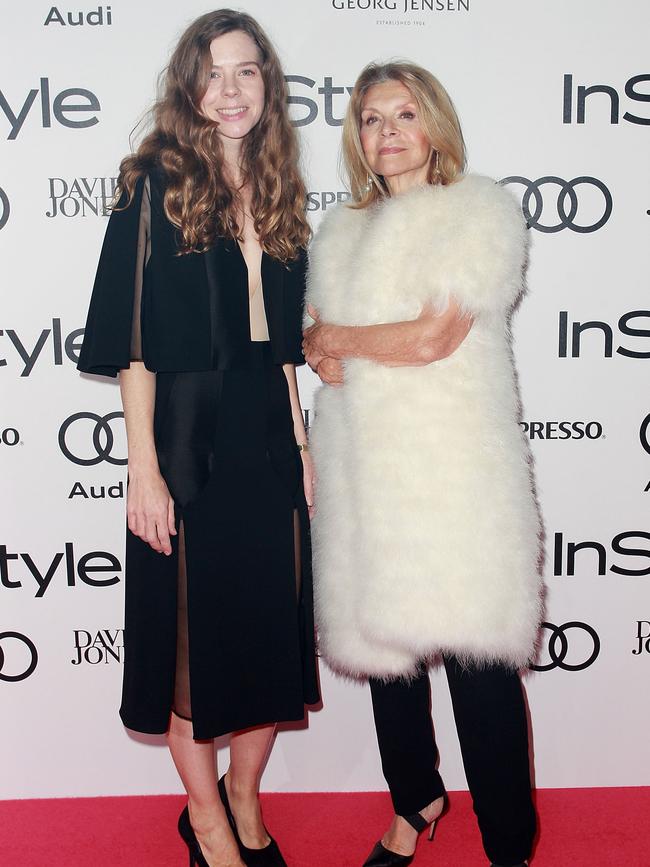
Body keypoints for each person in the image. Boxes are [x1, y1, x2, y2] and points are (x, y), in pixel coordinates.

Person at [78, 10, 319, 867]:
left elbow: (284, 346)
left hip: (266, 436)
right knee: (191, 646)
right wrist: (142, 470)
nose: (230, 91)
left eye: (247, 72)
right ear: (189, 87)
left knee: (265, 641)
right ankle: (208, 822)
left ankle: (246, 798)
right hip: (184, 438)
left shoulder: (284, 187)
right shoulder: (156, 183)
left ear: (268, 84)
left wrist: (301, 443)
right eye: (213, 74)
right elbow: (135, 346)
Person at [303, 61, 543, 867]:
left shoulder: (476, 213)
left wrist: (338, 341)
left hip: (452, 474)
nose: (388, 133)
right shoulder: (340, 231)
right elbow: (318, 339)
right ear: (357, 138)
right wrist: (323, 343)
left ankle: (511, 843)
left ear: (434, 122)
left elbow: (436, 336)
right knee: (389, 664)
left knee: (477, 668)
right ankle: (416, 801)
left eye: (404, 115)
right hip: (363, 470)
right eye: (371, 120)